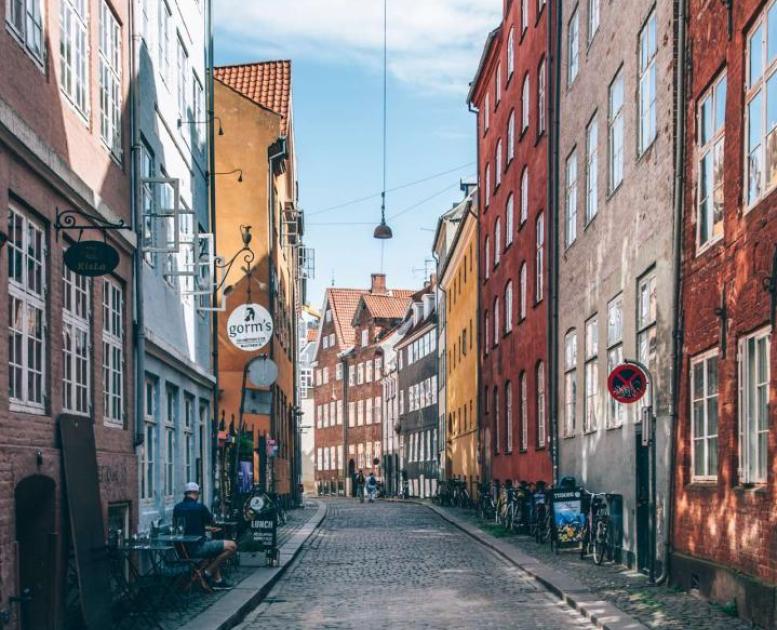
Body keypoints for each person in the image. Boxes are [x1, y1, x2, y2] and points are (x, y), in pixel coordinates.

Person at [173, 482, 237, 590]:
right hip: (198, 547)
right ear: (195, 493)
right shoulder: (199, 507)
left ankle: (218, 581)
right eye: (198, 493)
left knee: (213, 547)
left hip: (182, 549)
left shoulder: (177, 508)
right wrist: (209, 526)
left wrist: (203, 528)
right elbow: (212, 521)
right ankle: (207, 572)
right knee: (232, 546)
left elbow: (183, 527)